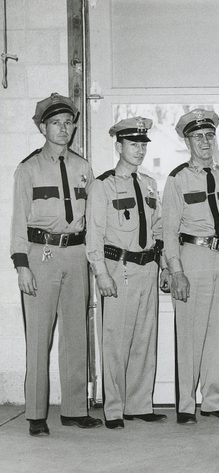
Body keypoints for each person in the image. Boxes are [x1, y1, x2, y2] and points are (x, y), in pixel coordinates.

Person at [11, 93, 103, 436]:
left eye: (67, 123)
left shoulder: (83, 168)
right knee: (39, 337)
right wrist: (22, 265)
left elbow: (92, 220)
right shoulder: (29, 168)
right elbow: (18, 220)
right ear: (42, 127)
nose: (63, 129)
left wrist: (94, 262)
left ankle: (75, 409)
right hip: (41, 255)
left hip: (76, 255)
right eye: (55, 123)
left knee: (76, 335)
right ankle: (36, 413)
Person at [85, 117, 169, 429]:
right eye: (133, 144)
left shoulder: (148, 184)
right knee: (116, 341)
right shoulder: (103, 185)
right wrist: (101, 273)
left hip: (147, 268)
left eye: (143, 144)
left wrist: (166, 267)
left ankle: (139, 404)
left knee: (144, 340)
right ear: (119, 146)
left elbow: (158, 228)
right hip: (118, 269)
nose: (139, 150)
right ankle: (115, 409)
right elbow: (93, 233)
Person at [162, 109, 219, 424]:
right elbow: (168, 230)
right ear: (187, 141)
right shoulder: (178, 178)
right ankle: (185, 405)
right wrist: (176, 270)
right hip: (192, 257)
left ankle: (214, 400)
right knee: (190, 334)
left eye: (209, 135)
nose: (205, 142)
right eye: (198, 137)